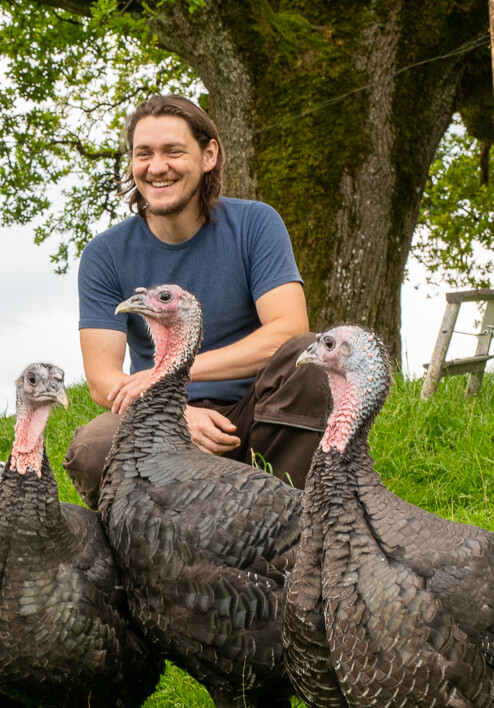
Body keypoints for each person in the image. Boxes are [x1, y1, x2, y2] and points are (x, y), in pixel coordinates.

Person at [63, 93, 330, 509]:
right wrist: (172, 408)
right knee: (94, 446)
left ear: (208, 155)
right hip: (158, 419)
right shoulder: (105, 254)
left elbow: (291, 329)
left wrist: (171, 374)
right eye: (143, 154)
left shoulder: (256, 224)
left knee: (312, 364)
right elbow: (102, 378)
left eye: (173, 151)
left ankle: (288, 524)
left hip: (254, 417)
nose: (156, 167)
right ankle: (149, 551)